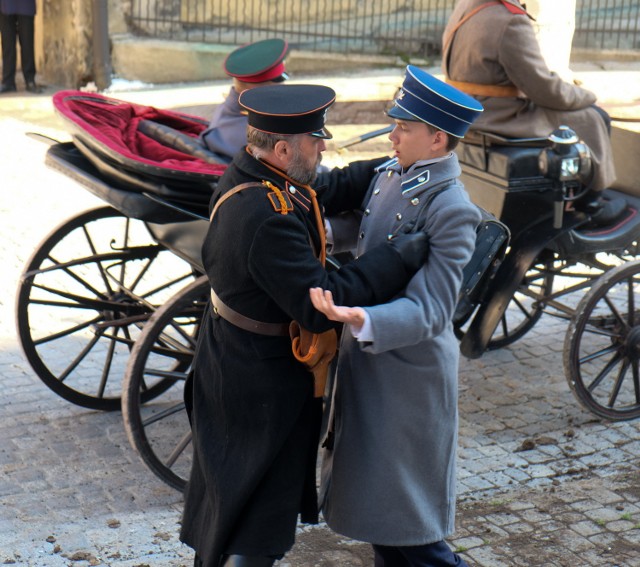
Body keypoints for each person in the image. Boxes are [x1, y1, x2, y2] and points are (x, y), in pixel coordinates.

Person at [180, 83, 431, 567]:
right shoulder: (267, 215)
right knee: (258, 521)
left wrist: (386, 167)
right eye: (316, 141)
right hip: (259, 381)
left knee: (231, 503)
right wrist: (393, 258)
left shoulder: (254, 172)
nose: (323, 147)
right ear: (282, 149)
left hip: (234, 359)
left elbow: (323, 188)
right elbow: (321, 304)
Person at [310, 65, 483, 567]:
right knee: (387, 522)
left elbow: (433, 311)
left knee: (408, 529)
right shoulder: (393, 173)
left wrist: (361, 318)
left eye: (403, 128)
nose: (392, 134)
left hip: (407, 376)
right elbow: (371, 233)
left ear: (436, 139)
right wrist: (325, 236)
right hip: (371, 365)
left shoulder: (452, 208)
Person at [442, 0, 625, 225]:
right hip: (499, 117)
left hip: (468, 112)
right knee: (594, 117)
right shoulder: (509, 20)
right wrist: (586, 95)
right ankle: (590, 206)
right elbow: (545, 90)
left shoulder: (468, 6)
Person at [199, 38, 289, 162]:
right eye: (279, 87)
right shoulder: (255, 134)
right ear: (260, 91)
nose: (284, 91)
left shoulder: (229, 111)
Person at [0, 0, 41, 94]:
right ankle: (8, 81)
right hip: (5, 4)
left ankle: (30, 80)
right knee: (7, 44)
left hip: (25, 4)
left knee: (27, 43)